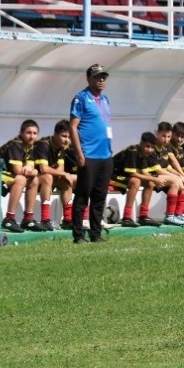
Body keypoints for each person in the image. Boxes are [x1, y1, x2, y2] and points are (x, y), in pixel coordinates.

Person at [69, 64, 114, 244]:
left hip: (106, 156)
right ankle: (78, 235)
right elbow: (72, 127)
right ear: (89, 79)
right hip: (89, 155)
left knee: (99, 198)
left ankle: (96, 234)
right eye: (97, 77)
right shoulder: (81, 98)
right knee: (82, 196)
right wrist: (79, 153)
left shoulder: (105, 100)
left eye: (103, 77)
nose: (101, 80)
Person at [112, 131, 184, 227]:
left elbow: (144, 172)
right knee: (135, 182)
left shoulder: (144, 154)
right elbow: (132, 173)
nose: (150, 150)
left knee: (149, 183)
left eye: (152, 147)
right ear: (141, 144)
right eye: (147, 146)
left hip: (125, 175)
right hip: (112, 174)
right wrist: (155, 179)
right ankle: (126, 217)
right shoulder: (133, 150)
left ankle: (143, 216)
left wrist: (154, 180)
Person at [0, 119, 42, 233]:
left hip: (4, 174)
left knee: (34, 180)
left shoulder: (30, 146)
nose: (32, 136)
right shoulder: (16, 144)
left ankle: (28, 219)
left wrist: (32, 171)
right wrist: (34, 171)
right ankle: (9, 219)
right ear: (21, 133)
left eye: (35, 133)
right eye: (28, 133)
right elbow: (18, 170)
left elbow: (30, 168)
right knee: (21, 179)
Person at [34, 119, 77, 231]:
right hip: (32, 178)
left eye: (69, 137)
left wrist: (63, 175)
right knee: (48, 177)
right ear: (55, 134)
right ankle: (45, 220)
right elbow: (43, 169)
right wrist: (63, 173)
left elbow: (61, 168)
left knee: (65, 181)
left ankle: (68, 220)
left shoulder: (61, 147)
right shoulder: (44, 144)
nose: (67, 140)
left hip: (46, 178)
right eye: (64, 136)